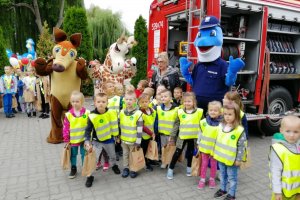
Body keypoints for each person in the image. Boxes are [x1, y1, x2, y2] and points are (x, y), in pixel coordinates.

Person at [84, 93, 121, 187]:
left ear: (107, 103)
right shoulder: (92, 115)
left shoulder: (111, 113)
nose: (101, 104)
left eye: (103, 102)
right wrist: (87, 141)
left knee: (112, 155)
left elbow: (115, 125)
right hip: (97, 141)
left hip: (109, 139)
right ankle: (90, 176)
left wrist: (117, 136)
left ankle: (114, 165)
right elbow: (88, 130)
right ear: (95, 103)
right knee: (94, 159)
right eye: (98, 102)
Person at [213, 103, 247, 200]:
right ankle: (223, 189)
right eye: (225, 114)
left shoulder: (239, 130)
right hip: (221, 157)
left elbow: (241, 146)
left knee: (232, 178)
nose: (227, 117)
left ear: (236, 115)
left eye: (230, 114)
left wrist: (238, 159)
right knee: (223, 175)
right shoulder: (220, 126)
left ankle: (232, 194)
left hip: (232, 160)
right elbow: (217, 140)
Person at [167, 92, 203, 179]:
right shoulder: (180, 112)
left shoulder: (199, 112)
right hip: (182, 137)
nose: (187, 103)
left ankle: (189, 169)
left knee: (190, 153)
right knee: (177, 153)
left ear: (194, 102)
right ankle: (170, 169)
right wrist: (172, 136)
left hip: (193, 137)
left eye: (189, 101)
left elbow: (203, 125)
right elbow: (176, 125)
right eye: (185, 101)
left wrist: (202, 137)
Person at [269, 115, 300, 200]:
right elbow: (275, 172)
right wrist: (277, 191)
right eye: (288, 131)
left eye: (296, 132)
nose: (292, 135)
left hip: (297, 191)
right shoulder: (278, 149)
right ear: (281, 131)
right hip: (283, 193)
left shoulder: (298, 146)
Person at [63, 91, 90, 179]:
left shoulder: (87, 113)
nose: (75, 103)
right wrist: (66, 139)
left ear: (82, 102)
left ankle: (84, 167)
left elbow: (90, 126)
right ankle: (73, 168)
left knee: (83, 154)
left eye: (77, 101)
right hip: (73, 140)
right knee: (73, 155)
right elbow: (66, 128)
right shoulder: (69, 115)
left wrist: (89, 138)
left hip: (83, 139)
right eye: (73, 101)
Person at [197, 101, 222, 189]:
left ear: (220, 112)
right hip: (204, 147)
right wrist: (198, 143)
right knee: (204, 163)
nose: (213, 112)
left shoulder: (222, 124)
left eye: (215, 110)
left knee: (213, 164)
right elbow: (200, 133)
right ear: (208, 110)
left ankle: (212, 179)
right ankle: (202, 179)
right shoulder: (203, 122)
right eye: (211, 110)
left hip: (215, 149)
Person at [120, 91, 143, 178]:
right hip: (124, 139)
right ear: (124, 100)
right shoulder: (121, 112)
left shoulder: (138, 114)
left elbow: (140, 129)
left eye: (131, 99)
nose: (128, 101)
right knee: (125, 154)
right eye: (126, 99)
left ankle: (133, 169)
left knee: (133, 155)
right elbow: (120, 125)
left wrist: (138, 141)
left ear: (135, 101)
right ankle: (126, 168)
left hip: (133, 140)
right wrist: (118, 136)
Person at [156, 89, 179, 169]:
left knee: (171, 149)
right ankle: (164, 161)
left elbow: (177, 123)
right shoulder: (158, 108)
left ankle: (170, 162)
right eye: (161, 97)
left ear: (170, 98)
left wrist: (173, 134)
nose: (163, 98)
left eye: (165, 96)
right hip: (162, 133)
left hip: (171, 134)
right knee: (164, 148)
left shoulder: (176, 109)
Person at [138, 93, 156, 171]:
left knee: (150, 148)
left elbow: (155, 122)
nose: (144, 103)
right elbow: (142, 126)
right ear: (139, 103)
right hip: (144, 135)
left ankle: (150, 160)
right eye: (142, 102)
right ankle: (145, 163)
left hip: (152, 135)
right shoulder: (139, 113)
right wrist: (151, 133)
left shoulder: (153, 111)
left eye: (146, 101)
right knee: (144, 149)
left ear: (149, 102)